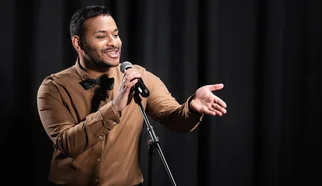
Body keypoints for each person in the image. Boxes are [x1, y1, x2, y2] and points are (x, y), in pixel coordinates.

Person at [36, 4, 227, 186]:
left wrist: (192, 106)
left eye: (116, 34)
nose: (114, 43)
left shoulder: (140, 77)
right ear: (78, 42)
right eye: (102, 36)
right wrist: (114, 108)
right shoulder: (54, 87)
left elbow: (175, 119)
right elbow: (67, 143)